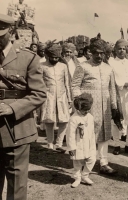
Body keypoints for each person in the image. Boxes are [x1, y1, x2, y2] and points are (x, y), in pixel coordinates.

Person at [0, 14, 46, 200]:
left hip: (15, 127)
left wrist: (12, 108)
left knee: (17, 184)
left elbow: (39, 94)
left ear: (10, 32)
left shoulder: (28, 58)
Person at [72, 38, 118, 175]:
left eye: (102, 53)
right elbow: (75, 86)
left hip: (105, 107)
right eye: (96, 53)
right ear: (91, 53)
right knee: (86, 134)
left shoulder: (108, 68)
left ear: (105, 54)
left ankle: (104, 163)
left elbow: (112, 89)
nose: (99, 56)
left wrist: (114, 105)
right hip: (88, 106)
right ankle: (83, 162)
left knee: (104, 134)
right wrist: (80, 103)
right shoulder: (83, 66)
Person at [40, 42, 72, 151]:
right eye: (52, 57)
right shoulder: (42, 66)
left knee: (64, 120)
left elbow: (67, 83)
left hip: (62, 96)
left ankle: (59, 144)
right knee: (49, 120)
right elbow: (39, 83)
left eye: (57, 58)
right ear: (48, 56)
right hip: (48, 96)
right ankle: (50, 143)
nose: (55, 60)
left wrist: (69, 99)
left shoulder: (63, 66)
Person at [109, 39, 128, 155]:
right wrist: (122, 84)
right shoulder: (111, 63)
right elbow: (110, 80)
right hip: (118, 94)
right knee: (117, 119)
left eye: (123, 48)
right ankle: (116, 145)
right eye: (119, 49)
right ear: (115, 50)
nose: (122, 51)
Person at [67, 93, 96, 188]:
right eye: (84, 110)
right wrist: (71, 148)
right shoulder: (74, 119)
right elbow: (70, 134)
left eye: (88, 110)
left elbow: (92, 132)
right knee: (77, 162)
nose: (86, 112)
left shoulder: (90, 117)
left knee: (92, 159)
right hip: (78, 144)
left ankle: (85, 175)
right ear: (78, 109)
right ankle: (77, 178)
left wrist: (92, 143)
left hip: (89, 143)